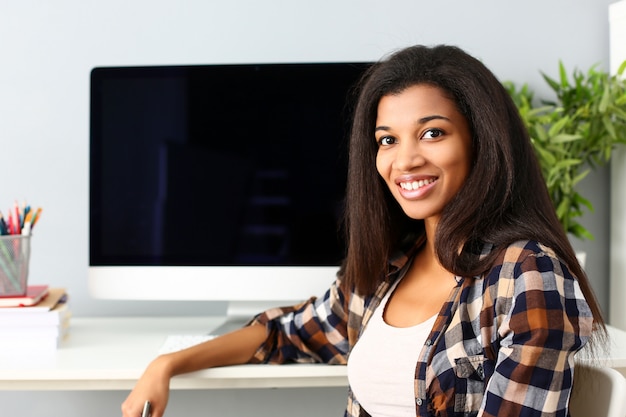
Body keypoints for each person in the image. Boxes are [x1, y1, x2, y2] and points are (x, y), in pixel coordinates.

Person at [121, 44, 606, 417]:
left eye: (432, 133)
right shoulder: (386, 270)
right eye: (387, 140)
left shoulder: (527, 274)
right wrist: (165, 365)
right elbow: (281, 335)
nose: (405, 159)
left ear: (483, 141)